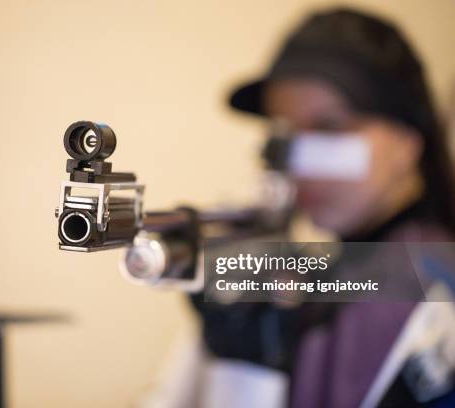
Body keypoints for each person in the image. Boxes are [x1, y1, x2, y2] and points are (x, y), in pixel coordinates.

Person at [185, 8, 455, 408]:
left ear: (407, 141)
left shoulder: (418, 288)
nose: (301, 163)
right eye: (287, 133)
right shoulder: (361, 265)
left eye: (329, 128)